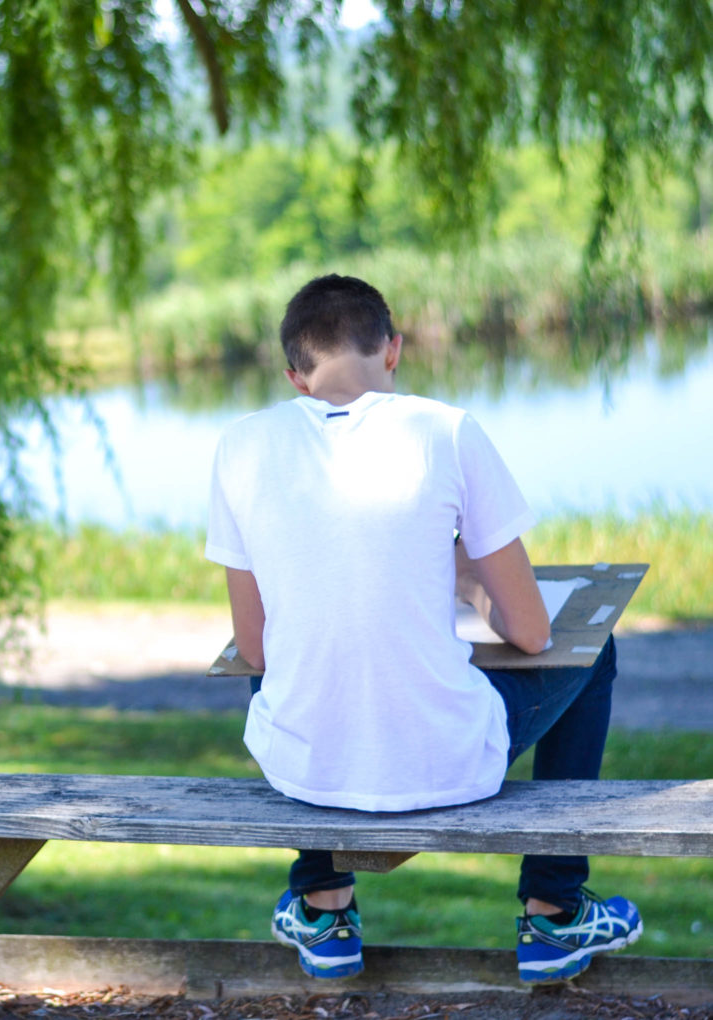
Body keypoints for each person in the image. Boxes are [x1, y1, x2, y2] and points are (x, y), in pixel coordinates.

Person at [205, 274, 642, 985]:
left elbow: (253, 648)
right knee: (597, 651)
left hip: (305, 772)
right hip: (447, 763)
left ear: (293, 376)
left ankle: (323, 906)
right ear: (393, 350)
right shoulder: (445, 428)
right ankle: (554, 913)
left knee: (278, 647)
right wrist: (466, 578)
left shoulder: (241, 444)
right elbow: (531, 635)